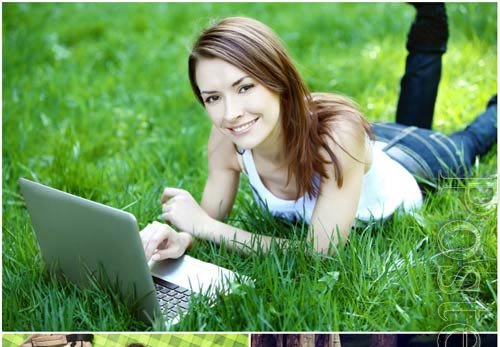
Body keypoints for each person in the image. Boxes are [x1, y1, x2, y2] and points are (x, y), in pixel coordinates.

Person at [141, 14, 496, 260]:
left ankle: (433, 27)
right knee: (410, 118)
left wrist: (205, 228)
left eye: (245, 87)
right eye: (213, 98)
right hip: (360, 149)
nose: (230, 112)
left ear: (278, 80)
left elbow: (320, 255)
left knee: (469, 141)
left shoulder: (338, 137)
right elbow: (207, 219)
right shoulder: (225, 137)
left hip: (414, 165)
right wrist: (184, 236)